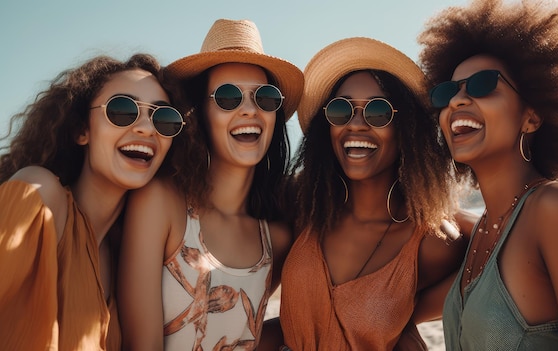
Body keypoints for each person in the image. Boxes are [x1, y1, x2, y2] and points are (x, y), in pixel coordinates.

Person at [417, 0, 558, 349]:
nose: (456, 101)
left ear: (531, 117)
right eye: (448, 92)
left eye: (482, 85)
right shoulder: (483, 231)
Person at [271, 37, 471, 351]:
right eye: (341, 109)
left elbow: (494, 243)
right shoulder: (302, 206)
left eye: (378, 112)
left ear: (406, 129)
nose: (357, 124)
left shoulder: (432, 245)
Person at [117, 19, 303, 351]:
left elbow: (249, 332)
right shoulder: (161, 203)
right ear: (200, 114)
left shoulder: (276, 238)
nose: (249, 109)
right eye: (229, 96)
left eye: (265, 97)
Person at [0, 53, 183, 350]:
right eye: (123, 110)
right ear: (81, 130)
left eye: (164, 118)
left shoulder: (130, 254)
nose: (147, 129)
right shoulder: (40, 194)